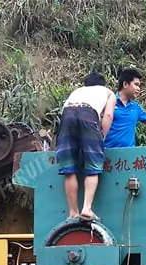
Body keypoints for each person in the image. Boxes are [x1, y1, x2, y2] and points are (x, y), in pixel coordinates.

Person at [55, 71, 116, 221]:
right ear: (103, 84)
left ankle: (72, 212)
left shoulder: (77, 91)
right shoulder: (108, 93)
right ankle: (87, 208)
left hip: (67, 117)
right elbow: (108, 116)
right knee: (93, 165)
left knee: (69, 168)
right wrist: (101, 137)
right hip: (88, 115)